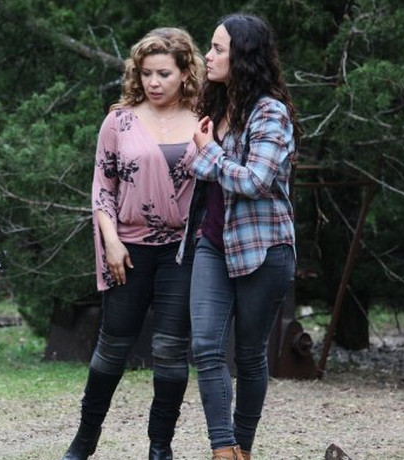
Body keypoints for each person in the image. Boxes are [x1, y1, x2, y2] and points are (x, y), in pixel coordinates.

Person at [60, 27, 204, 460]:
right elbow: (102, 188)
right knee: (113, 346)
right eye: (146, 73)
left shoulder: (205, 118)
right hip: (128, 246)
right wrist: (111, 242)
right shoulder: (119, 120)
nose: (153, 82)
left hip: (183, 249)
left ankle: (160, 447)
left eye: (164, 73)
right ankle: (85, 439)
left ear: (185, 72)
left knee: (170, 350)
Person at [179, 13, 300, 460]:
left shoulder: (270, 112)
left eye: (217, 49)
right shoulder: (214, 105)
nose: (207, 56)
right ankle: (223, 449)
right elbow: (192, 163)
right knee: (206, 347)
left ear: (244, 57)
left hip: (262, 249)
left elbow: (255, 181)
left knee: (249, 355)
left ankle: (243, 447)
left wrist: (208, 153)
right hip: (212, 242)